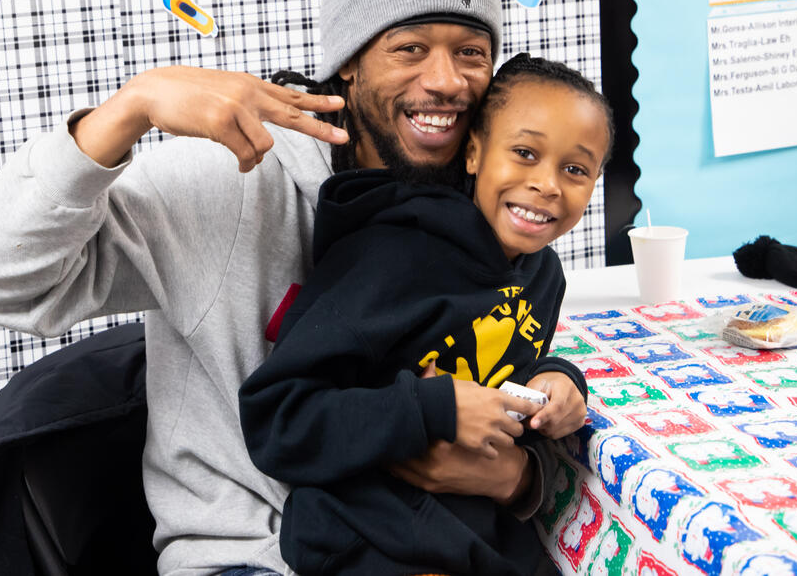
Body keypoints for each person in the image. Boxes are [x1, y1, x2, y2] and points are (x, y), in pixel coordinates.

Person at [0, 0, 584, 576]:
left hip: (425, 541)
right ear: (349, 62)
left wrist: (518, 478)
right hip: (256, 554)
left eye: (471, 52)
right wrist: (127, 111)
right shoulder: (236, 175)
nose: (447, 81)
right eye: (410, 48)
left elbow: (501, 360)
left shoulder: (484, 197)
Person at [239, 54, 612, 576]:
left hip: (479, 537)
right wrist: (434, 408)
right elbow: (278, 419)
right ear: (474, 153)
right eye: (525, 153)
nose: (548, 184)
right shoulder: (388, 258)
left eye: (575, 170)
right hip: (363, 540)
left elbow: (505, 376)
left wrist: (556, 380)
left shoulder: (544, 275)